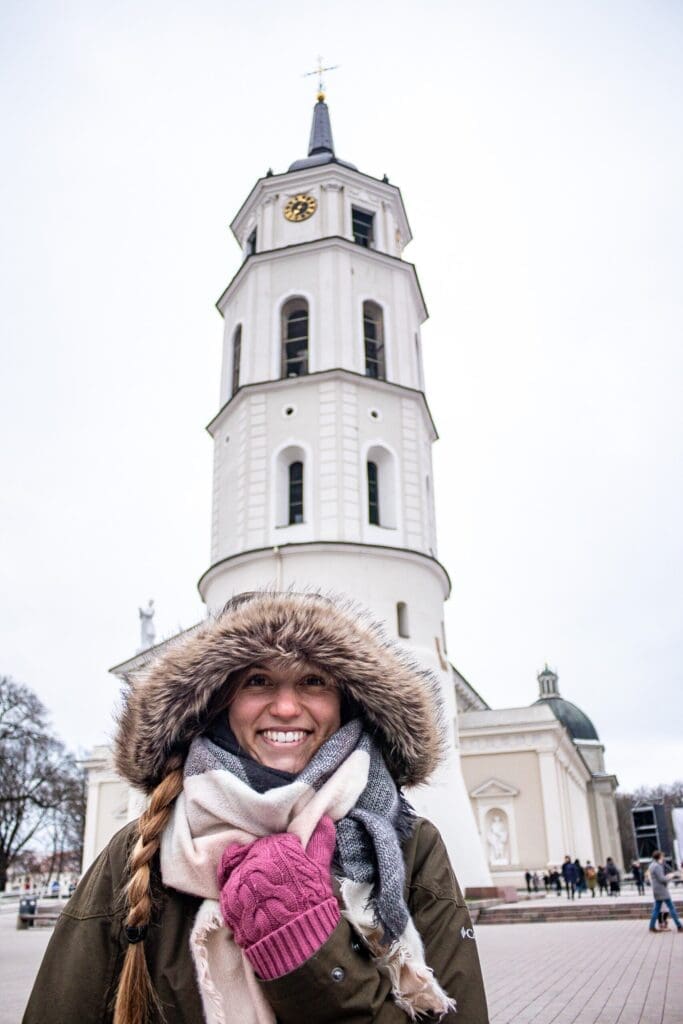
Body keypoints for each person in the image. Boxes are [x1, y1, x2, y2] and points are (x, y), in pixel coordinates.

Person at [24, 591, 489, 1023]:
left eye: (312, 681)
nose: (286, 707)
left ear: (347, 702)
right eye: (257, 681)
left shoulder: (408, 847)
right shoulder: (142, 852)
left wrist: (311, 953)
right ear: (220, 702)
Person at [647, 850, 683, 934]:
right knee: (672, 908)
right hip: (662, 890)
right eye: (662, 856)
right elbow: (662, 879)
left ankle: (651, 927)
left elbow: (657, 878)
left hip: (656, 889)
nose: (663, 858)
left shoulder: (652, 865)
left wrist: (665, 877)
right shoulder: (657, 866)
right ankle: (679, 926)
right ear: (659, 857)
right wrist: (670, 876)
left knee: (656, 909)